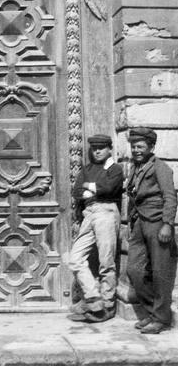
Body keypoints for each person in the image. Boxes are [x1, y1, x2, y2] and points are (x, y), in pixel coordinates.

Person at [126, 127, 177, 334]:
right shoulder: (135, 167)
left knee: (160, 272)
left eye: (140, 146)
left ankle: (161, 318)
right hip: (139, 222)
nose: (136, 150)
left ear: (151, 147)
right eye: (133, 147)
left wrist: (167, 224)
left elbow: (170, 197)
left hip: (157, 223)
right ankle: (152, 311)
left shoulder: (161, 167)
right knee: (134, 270)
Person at [68, 134, 124, 322]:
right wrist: (93, 188)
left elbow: (110, 189)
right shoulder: (87, 168)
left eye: (101, 148)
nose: (97, 151)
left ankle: (107, 306)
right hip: (89, 214)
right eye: (94, 148)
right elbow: (76, 191)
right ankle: (93, 298)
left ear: (109, 149)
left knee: (106, 261)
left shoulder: (115, 169)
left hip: (106, 212)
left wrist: (89, 187)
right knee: (75, 258)